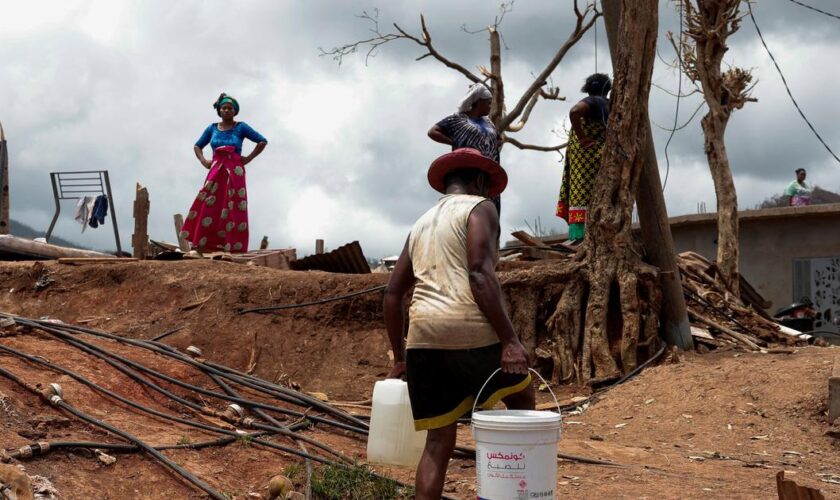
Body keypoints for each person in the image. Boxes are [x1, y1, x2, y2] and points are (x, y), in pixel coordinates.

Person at [383, 147, 535, 500]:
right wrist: (510, 341)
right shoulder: (480, 208)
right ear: (480, 182)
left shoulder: (420, 223)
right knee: (522, 398)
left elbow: (392, 294)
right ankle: (513, 487)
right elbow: (480, 272)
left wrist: (398, 357)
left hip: (422, 338)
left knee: (437, 442)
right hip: (469, 329)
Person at [180, 93, 267, 253]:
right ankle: (201, 245)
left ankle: (230, 248)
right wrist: (204, 161)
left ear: (235, 111)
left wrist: (248, 158)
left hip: (234, 171)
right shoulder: (212, 128)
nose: (227, 110)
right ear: (219, 111)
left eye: (230, 108)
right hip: (216, 170)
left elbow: (262, 141)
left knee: (232, 205)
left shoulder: (241, 127)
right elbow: (197, 146)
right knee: (209, 203)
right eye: (224, 108)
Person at [428, 83, 503, 214]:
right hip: (467, 171)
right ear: (478, 102)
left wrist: (490, 149)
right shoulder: (457, 119)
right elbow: (433, 132)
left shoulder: (488, 123)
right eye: (488, 103)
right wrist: (454, 142)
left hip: (487, 172)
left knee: (490, 208)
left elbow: (499, 139)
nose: (490, 107)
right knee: (466, 208)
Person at [556, 73, 611, 244]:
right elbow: (574, 111)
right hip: (592, 158)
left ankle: (579, 237)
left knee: (580, 194)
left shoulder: (600, 103)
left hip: (581, 160)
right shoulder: (597, 102)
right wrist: (583, 138)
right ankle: (582, 239)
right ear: (606, 88)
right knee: (588, 196)